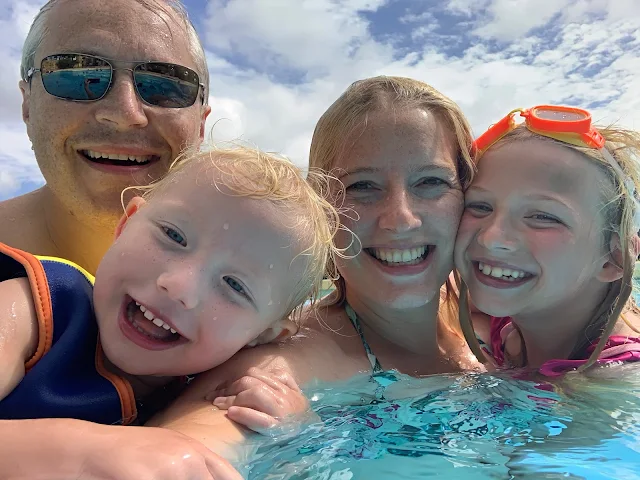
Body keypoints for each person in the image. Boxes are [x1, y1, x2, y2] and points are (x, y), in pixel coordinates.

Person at [144, 76, 486, 456]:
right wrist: (302, 441)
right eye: (362, 187)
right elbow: (179, 451)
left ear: (467, 195)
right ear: (322, 210)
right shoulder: (288, 365)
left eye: (431, 181)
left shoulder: (496, 322)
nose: (401, 218)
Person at [0, 145, 343, 478]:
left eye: (235, 286)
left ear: (260, 337)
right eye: (173, 235)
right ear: (125, 224)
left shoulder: (205, 385)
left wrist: (294, 429)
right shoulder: (38, 305)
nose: (180, 287)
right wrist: (83, 454)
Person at [0, 0, 211, 275]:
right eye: (78, 75)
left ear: (201, 126)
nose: (125, 113)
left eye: (165, 84)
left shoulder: (265, 296)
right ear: (28, 106)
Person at [454, 105, 640, 375]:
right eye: (480, 206)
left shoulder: (618, 378)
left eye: (543, 216)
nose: (492, 237)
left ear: (615, 258)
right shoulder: (514, 311)